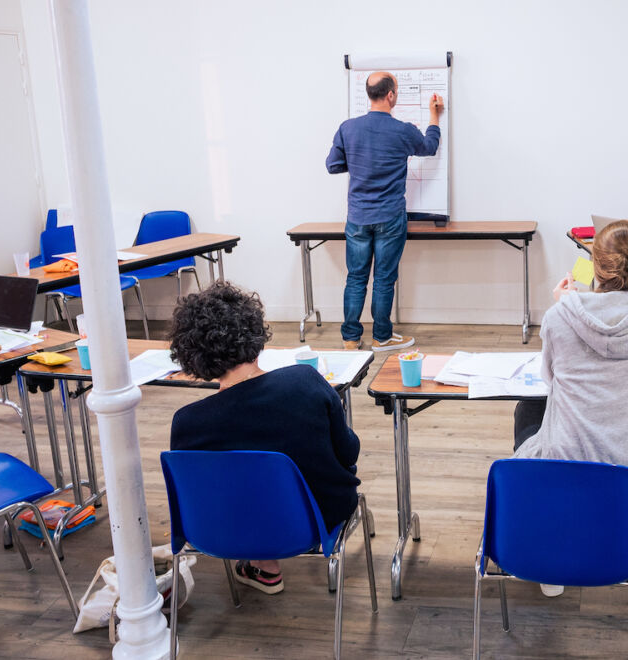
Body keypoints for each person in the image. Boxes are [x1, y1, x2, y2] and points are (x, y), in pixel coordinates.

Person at [512, 221, 628, 596]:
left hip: (565, 461)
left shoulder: (560, 316)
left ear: (595, 265)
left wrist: (564, 306)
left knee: (529, 412)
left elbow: (551, 380)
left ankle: (550, 558)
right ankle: (604, 543)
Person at [168, 282, 361, 594]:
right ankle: (264, 562)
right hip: (312, 525)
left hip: (216, 532)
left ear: (191, 355)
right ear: (255, 332)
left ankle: (264, 567)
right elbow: (348, 452)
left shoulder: (188, 422)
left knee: (244, 486)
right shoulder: (305, 383)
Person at [326, 71, 445, 352]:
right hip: (390, 217)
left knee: (355, 277)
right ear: (391, 95)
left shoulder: (348, 128)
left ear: (370, 94)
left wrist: (359, 164)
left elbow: (333, 165)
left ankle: (350, 339)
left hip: (357, 218)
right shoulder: (402, 130)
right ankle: (381, 337)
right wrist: (434, 116)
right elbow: (429, 147)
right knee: (383, 278)